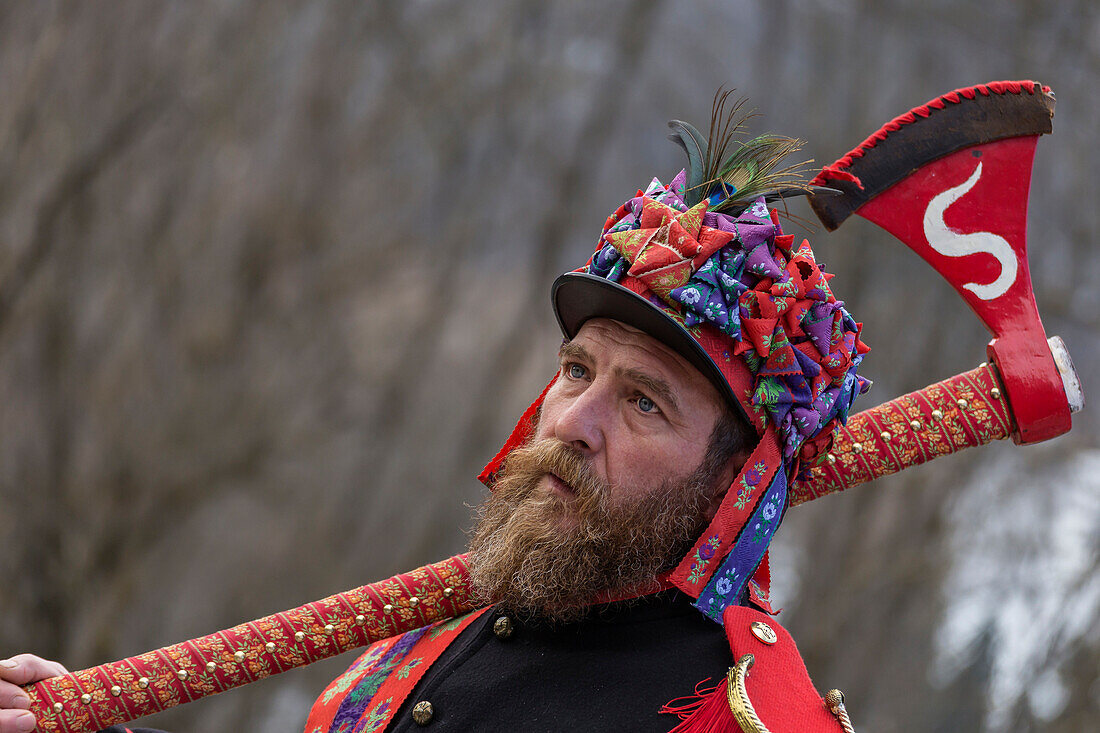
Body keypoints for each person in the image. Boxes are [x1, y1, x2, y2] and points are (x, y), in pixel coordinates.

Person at [0, 104, 868, 733]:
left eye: (644, 401)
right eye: (576, 370)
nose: (576, 421)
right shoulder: (447, 627)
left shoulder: (743, 718)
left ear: (734, 480)